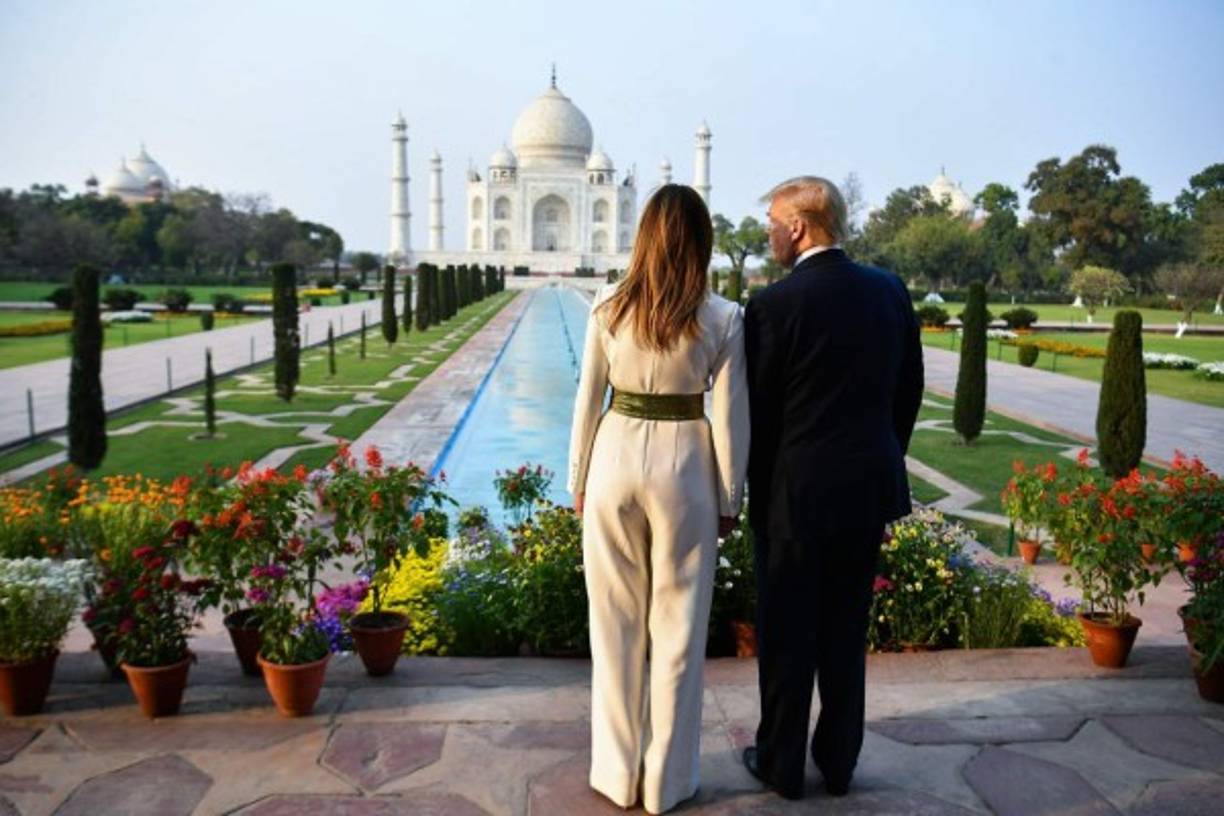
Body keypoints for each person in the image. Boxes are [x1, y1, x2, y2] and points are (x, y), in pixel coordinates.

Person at [740, 176, 923, 800]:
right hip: (864, 492)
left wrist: (755, 492)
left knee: (788, 634)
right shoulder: (888, 290)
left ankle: (782, 763)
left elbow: (757, 416)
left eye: (771, 222)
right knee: (845, 630)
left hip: (793, 498)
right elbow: (908, 393)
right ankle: (839, 762)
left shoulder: (774, 305)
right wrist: (878, 458)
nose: (768, 234)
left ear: (797, 227)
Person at [568, 183, 749, 814]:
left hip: (614, 459)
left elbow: (588, 402)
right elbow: (729, 418)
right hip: (685, 466)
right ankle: (666, 782)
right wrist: (730, 499)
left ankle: (617, 775)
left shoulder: (608, 307)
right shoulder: (721, 316)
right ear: (702, 240)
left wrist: (579, 481)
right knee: (676, 630)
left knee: (613, 628)